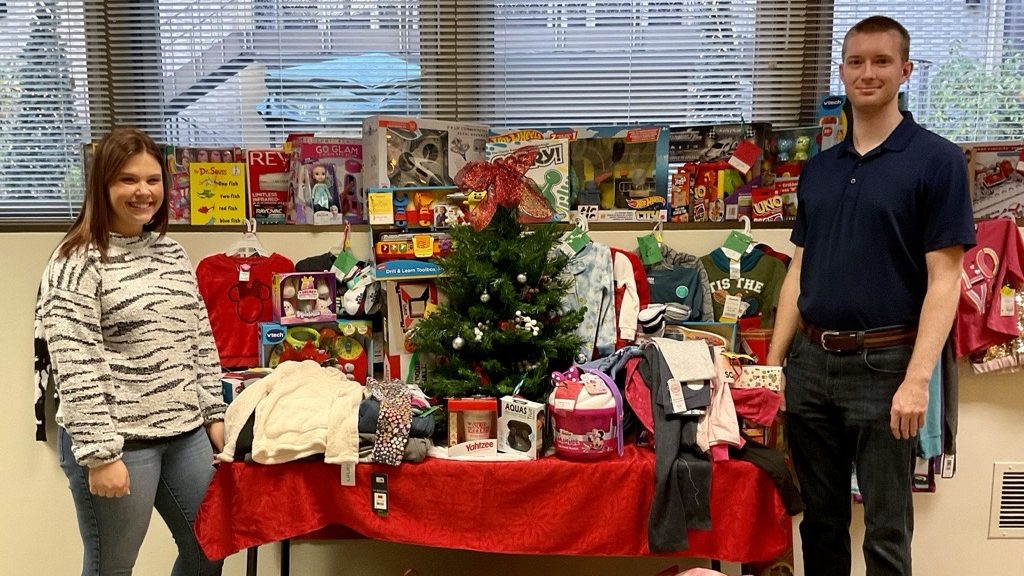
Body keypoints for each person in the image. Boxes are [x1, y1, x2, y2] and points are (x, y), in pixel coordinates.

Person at [765, 16, 975, 576]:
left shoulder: (937, 161)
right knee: (822, 523)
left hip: (886, 368)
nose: (868, 72)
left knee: (885, 528)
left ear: (905, 71)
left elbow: (945, 280)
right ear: (841, 71)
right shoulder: (819, 169)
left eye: (882, 61)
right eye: (856, 61)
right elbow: (798, 272)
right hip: (810, 366)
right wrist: (772, 365)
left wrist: (918, 379)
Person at [37, 127, 226, 575]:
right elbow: (75, 362)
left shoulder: (172, 252)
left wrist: (214, 413)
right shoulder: (74, 262)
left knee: (210, 549)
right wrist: (102, 455)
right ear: (102, 187)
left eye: (153, 179)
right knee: (113, 567)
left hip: (184, 435)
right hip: (120, 443)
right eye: (127, 180)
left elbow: (197, 337)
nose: (144, 191)